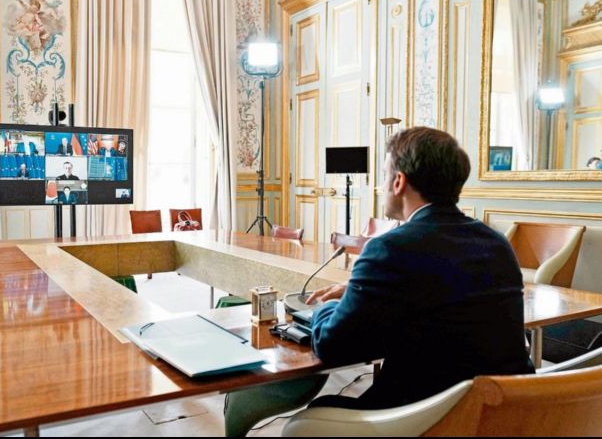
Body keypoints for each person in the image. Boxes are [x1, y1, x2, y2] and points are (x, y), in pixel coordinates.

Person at [223, 127, 534, 436]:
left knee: (303, 424)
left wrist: (325, 308)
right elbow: (440, 298)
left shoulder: (391, 247)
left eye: (384, 175)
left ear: (399, 182)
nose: (381, 185)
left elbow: (333, 345)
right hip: (502, 414)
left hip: (425, 417)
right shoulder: (496, 244)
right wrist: (363, 292)